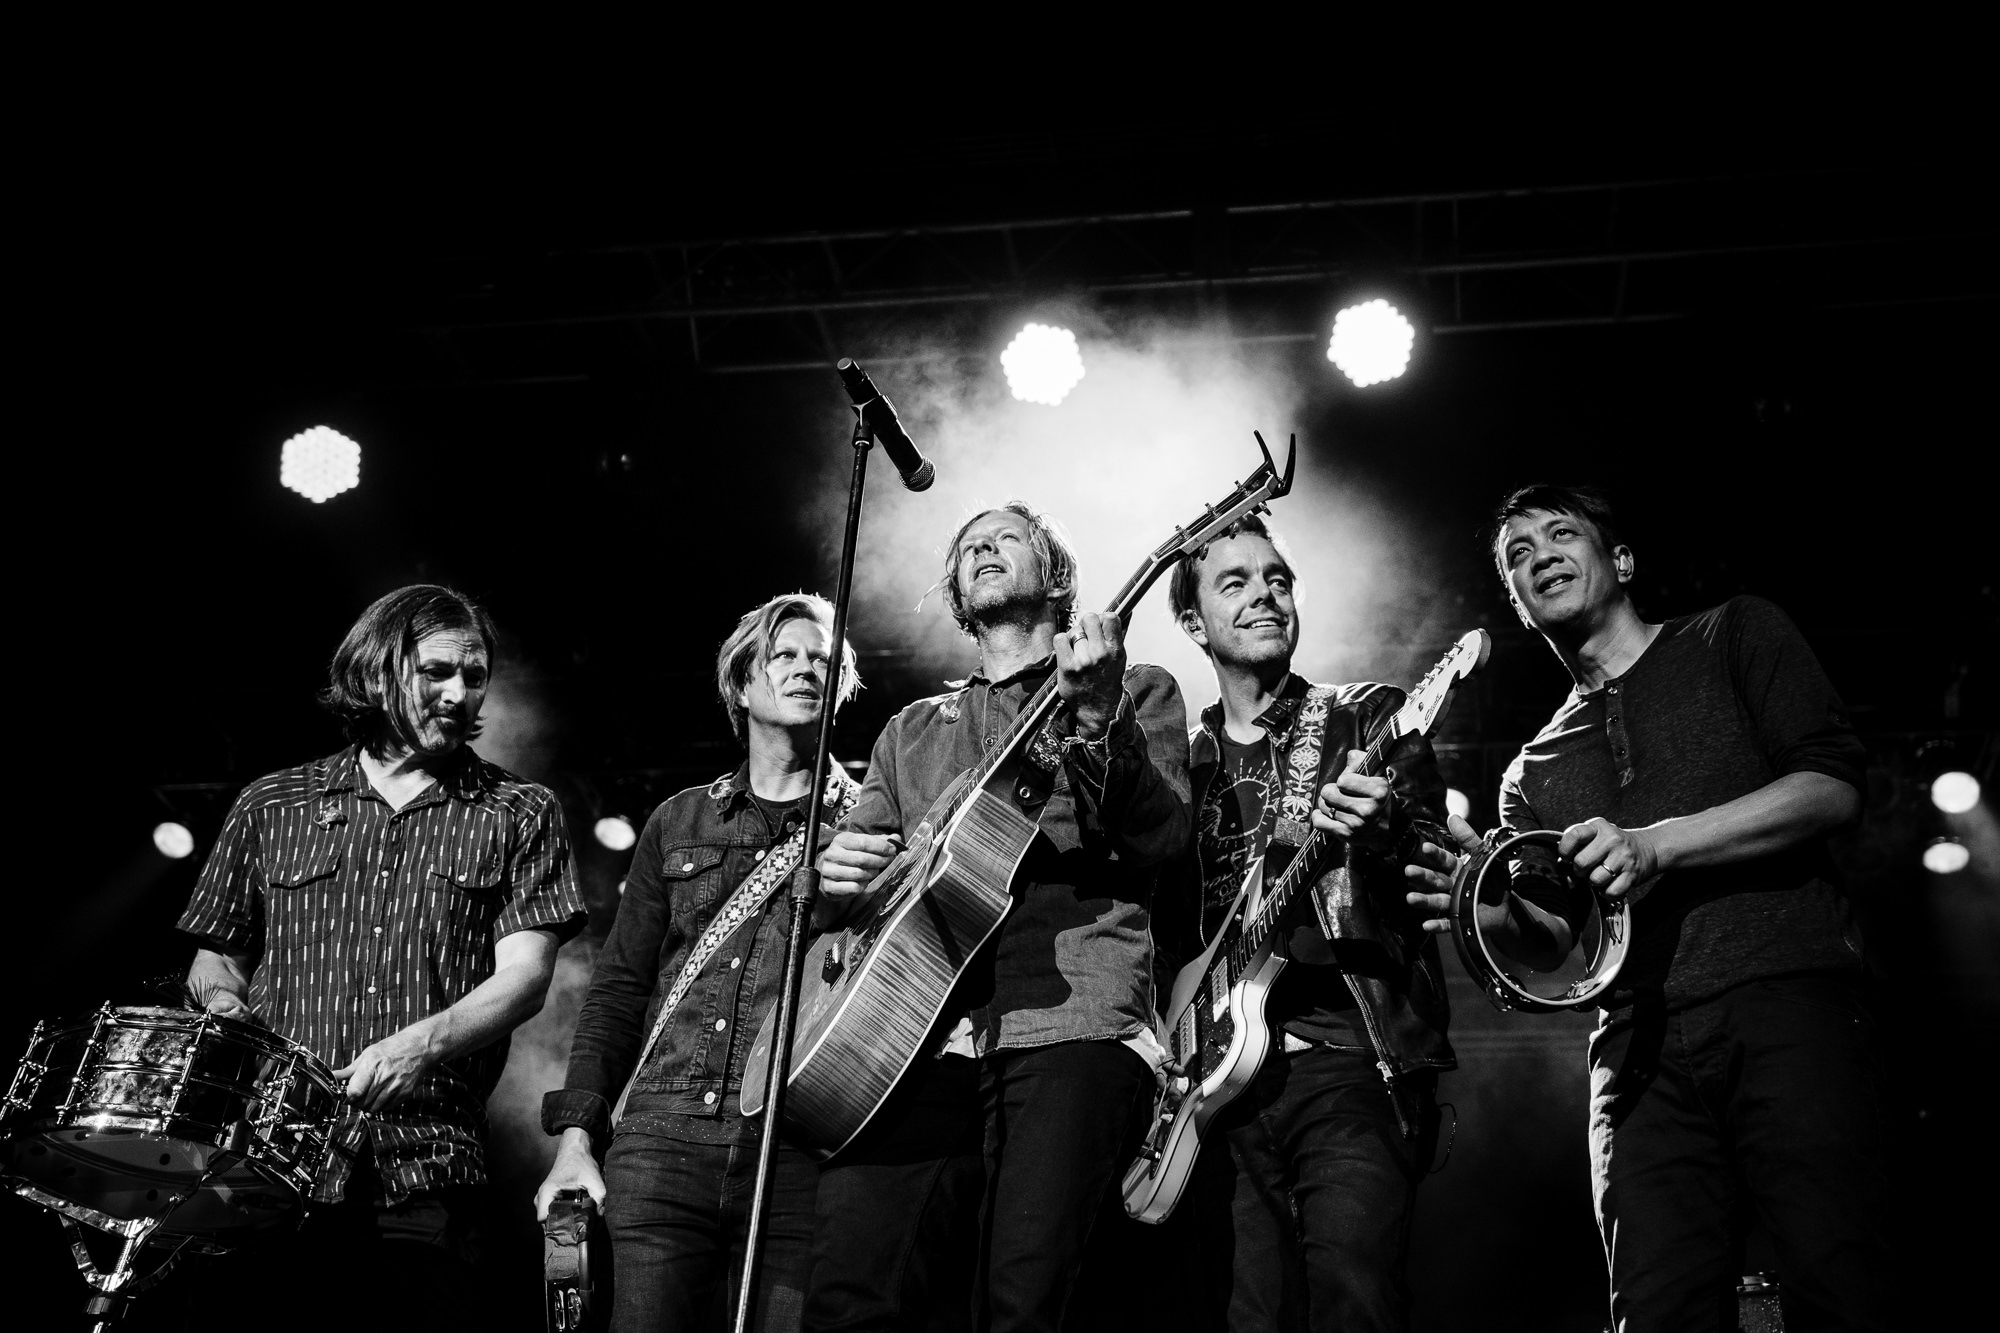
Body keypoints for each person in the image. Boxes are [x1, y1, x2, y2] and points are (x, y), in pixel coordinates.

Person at [1407, 484, 1896, 1332]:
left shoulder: (1733, 633)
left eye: (1562, 534)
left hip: (1786, 1001)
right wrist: (1476, 904)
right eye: (1518, 553)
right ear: (1519, 606)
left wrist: (1656, 843)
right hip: (1635, 1050)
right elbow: (1555, 935)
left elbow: (1830, 787)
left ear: (1621, 559)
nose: (1541, 554)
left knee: (1837, 1277)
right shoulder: (1528, 770)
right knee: (1653, 1305)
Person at [808, 501, 1192, 1333]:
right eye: (969, 543)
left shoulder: (1137, 687)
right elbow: (848, 889)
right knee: (848, 1292)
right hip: (914, 1039)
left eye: (1006, 536)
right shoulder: (910, 731)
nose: (982, 544)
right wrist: (832, 879)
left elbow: (1158, 838)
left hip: (1070, 1019)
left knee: (1020, 1304)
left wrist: (1096, 718)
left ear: (1055, 576)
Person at [178, 584, 587, 1320]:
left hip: (426, 1164)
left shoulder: (521, 810)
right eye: (437, 672)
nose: (460, 692)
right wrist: (225, 1003)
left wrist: (420, 1046)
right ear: (375, 671)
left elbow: (525, 977)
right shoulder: (272, 803)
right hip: (269, 1157)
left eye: (474, 676)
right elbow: (216, 958)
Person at [536, 593, 862, 1333]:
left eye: (824, 660)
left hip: (797, 1145)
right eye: (785, 654)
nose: (807, 667)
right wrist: (576, 1142)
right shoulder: (678, 820)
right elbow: (618, 990)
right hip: (660, 1141)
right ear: (742, 683)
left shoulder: (875, 821)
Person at [1163, 513, 1452, 1333]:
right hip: (1214, 1087)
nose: (1265, 594)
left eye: (1278, 579)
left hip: (1346, 1057)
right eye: (1237, 582)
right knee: (1245, 1313)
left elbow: (1435, 860)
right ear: (1193, 623)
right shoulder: (1179, 762)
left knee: (1355, 1296)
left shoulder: (1366, 719)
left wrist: (1387, 821)